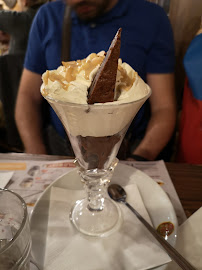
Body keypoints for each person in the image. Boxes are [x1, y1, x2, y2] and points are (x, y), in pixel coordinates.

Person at [15, 0, 177, 161]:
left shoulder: (150, 18)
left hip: (127, 147)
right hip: (59, 146)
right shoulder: (47, 17)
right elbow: (27, 96)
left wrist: (142, 155)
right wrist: (36, 154)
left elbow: (164, 107)